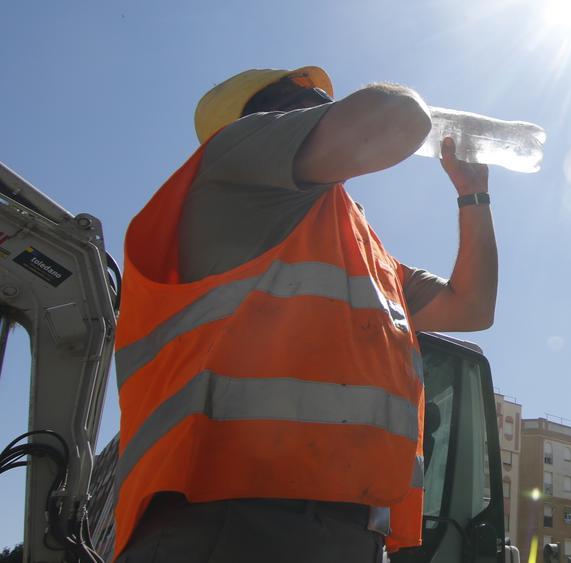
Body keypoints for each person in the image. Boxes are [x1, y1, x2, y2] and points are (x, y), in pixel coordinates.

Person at [112, 66, 498, 562]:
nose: (321, 103)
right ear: (263, 122)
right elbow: (394, 118)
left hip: (348, 533)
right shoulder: (233, 164)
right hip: (227, 522)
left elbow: (472, 307)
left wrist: (473, 193)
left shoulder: (365, 253)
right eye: (305, 98)